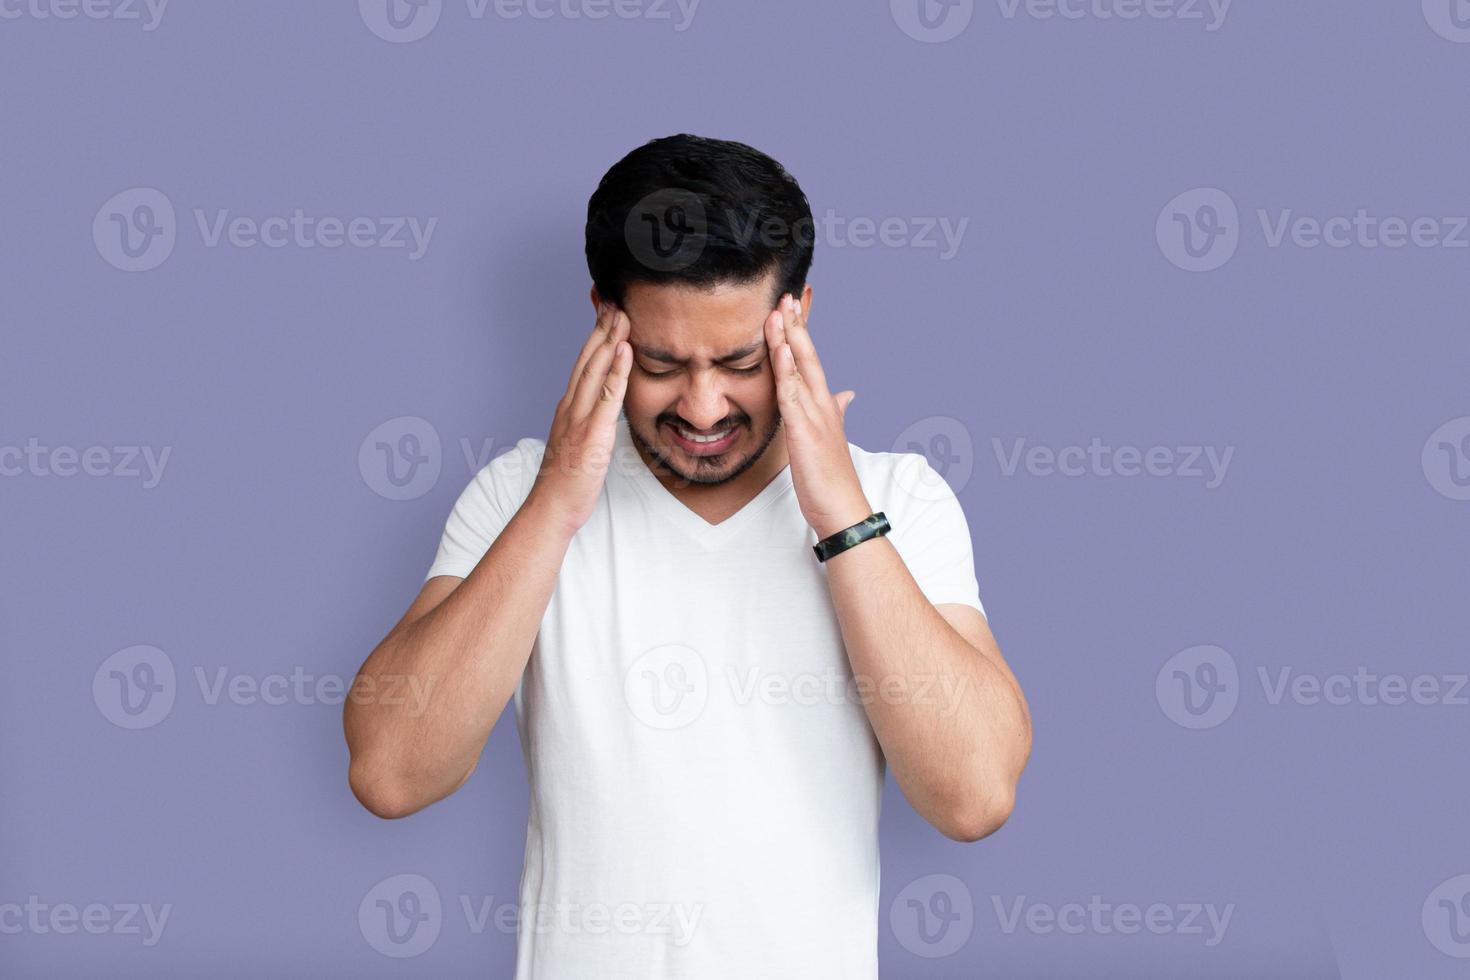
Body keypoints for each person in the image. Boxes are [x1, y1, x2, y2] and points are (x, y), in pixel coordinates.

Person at [343, 133, 1032, 979]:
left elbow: (973, 796)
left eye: (740, 361)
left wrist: (842, 514)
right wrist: (559, 500)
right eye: (663, 364)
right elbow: (390, 774)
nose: (703, 407)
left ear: (798, 315)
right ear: (605, 316)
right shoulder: (519, 493)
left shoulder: (902, 500)